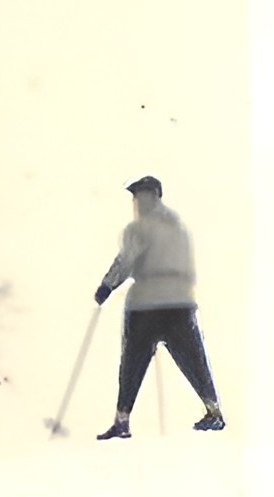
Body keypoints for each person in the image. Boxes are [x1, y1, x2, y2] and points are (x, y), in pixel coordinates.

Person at [94, 176, 225, 438]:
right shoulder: (180, 227)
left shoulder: (139, 229)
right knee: (194, 358)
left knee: (132, 361)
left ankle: (122, 420)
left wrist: (106, 286)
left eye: (138, 197)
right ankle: (214, 411)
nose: (136, 202)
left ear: (151, 197)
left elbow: (126, 260)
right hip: (180, 302)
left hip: (146, 304)